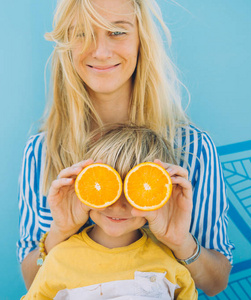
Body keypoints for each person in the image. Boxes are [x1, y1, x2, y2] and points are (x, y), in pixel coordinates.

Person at [17, 0, 234, 296]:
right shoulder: (42, 151)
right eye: (82, 33)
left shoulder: (192, 149)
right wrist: (61, 231)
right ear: (67, 43)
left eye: (117, 33)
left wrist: (180, 241)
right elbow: (34, 283)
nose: (101, 51)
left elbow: (215, 283)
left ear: (141, 39)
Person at [22, 124, 198, 299]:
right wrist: (53, 239)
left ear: (158, 194)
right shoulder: (58, 258)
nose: (117, 205)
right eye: (107, 187)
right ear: (84, 185)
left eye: (134, 191)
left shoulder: (169, 260)